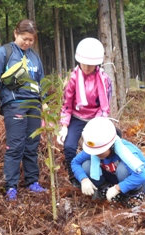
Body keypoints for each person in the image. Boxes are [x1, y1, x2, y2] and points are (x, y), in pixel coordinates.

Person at [0, 19, 46, 201]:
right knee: (15, 146)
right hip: (14, 104)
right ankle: (11, 185)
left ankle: (32, 181)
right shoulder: (4, 53)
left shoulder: (34, 57)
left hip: (34, 105)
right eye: (24, 38)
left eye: (31, 40)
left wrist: (43, 102)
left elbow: (40, 80)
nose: (27, 43)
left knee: (31, 146)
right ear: (15, 34)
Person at [57, 37, 112, 188]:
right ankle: (74, 176)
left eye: (91, 65)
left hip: (96, 119)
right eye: (84, 64)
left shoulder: (104, 79)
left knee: (100, 148)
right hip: (76, 117)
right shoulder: (73, 79)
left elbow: (104, 107)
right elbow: (66, 105)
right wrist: (64, 126)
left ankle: (102, 177)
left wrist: (98, 123)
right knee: (69, 147)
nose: (87, 68)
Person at [71, 117, 145, 208]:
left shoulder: (126, 151)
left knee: (123, 169)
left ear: (111, 146)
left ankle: (133, 197)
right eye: (94, 152)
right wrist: (84, 179)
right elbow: (75, 162)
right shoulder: (95, 149)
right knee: (86, 165)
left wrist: (117, 188)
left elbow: (142, 176)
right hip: (115, 179)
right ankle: (106, 191)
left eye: (100, 152)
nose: (96, 154)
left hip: (143, 183)